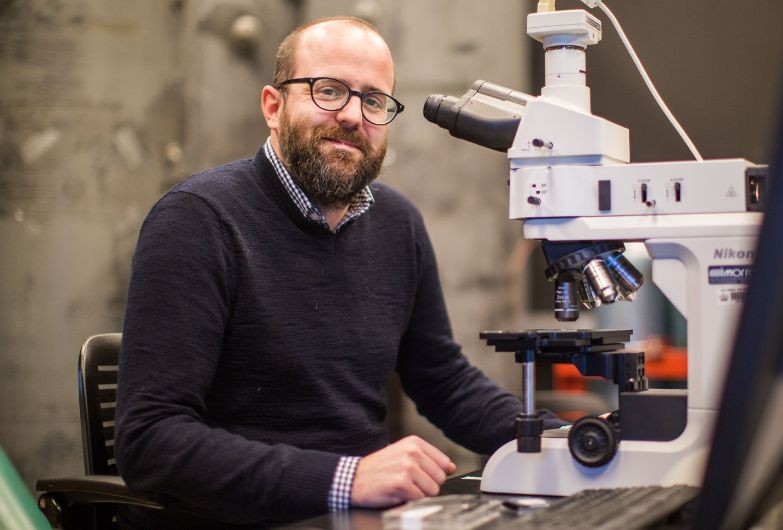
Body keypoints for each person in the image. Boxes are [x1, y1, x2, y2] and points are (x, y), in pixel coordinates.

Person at [114, 15, 562, 530]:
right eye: (328, 90)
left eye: (373, 100)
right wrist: (346, 479)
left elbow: (443, 380)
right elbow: (149, 439)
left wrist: (558, 444)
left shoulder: (398, 224)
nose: (352, 115)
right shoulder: (197, 220)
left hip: (360, 518)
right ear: (273, 107)